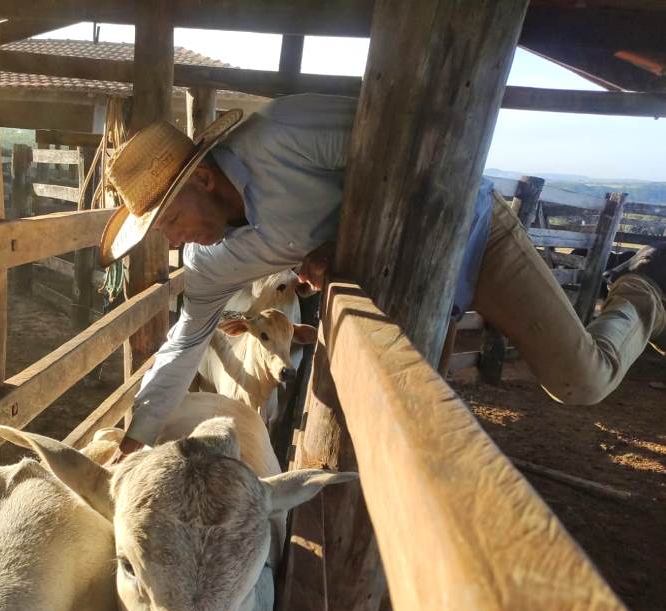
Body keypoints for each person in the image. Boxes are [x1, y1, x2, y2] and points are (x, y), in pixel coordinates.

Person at [98, 94, 665, 454]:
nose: (171, 241)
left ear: (202, 179)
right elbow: (184, 344)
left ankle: (645, 290)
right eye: (160, 233)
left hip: (467, 231)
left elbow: (427, 147)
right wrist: (135, 437)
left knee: (581, 380)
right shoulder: (210, 263)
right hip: (399, 288)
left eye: (170, 219)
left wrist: (341, 245)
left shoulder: (283, 134)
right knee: (410, 416)